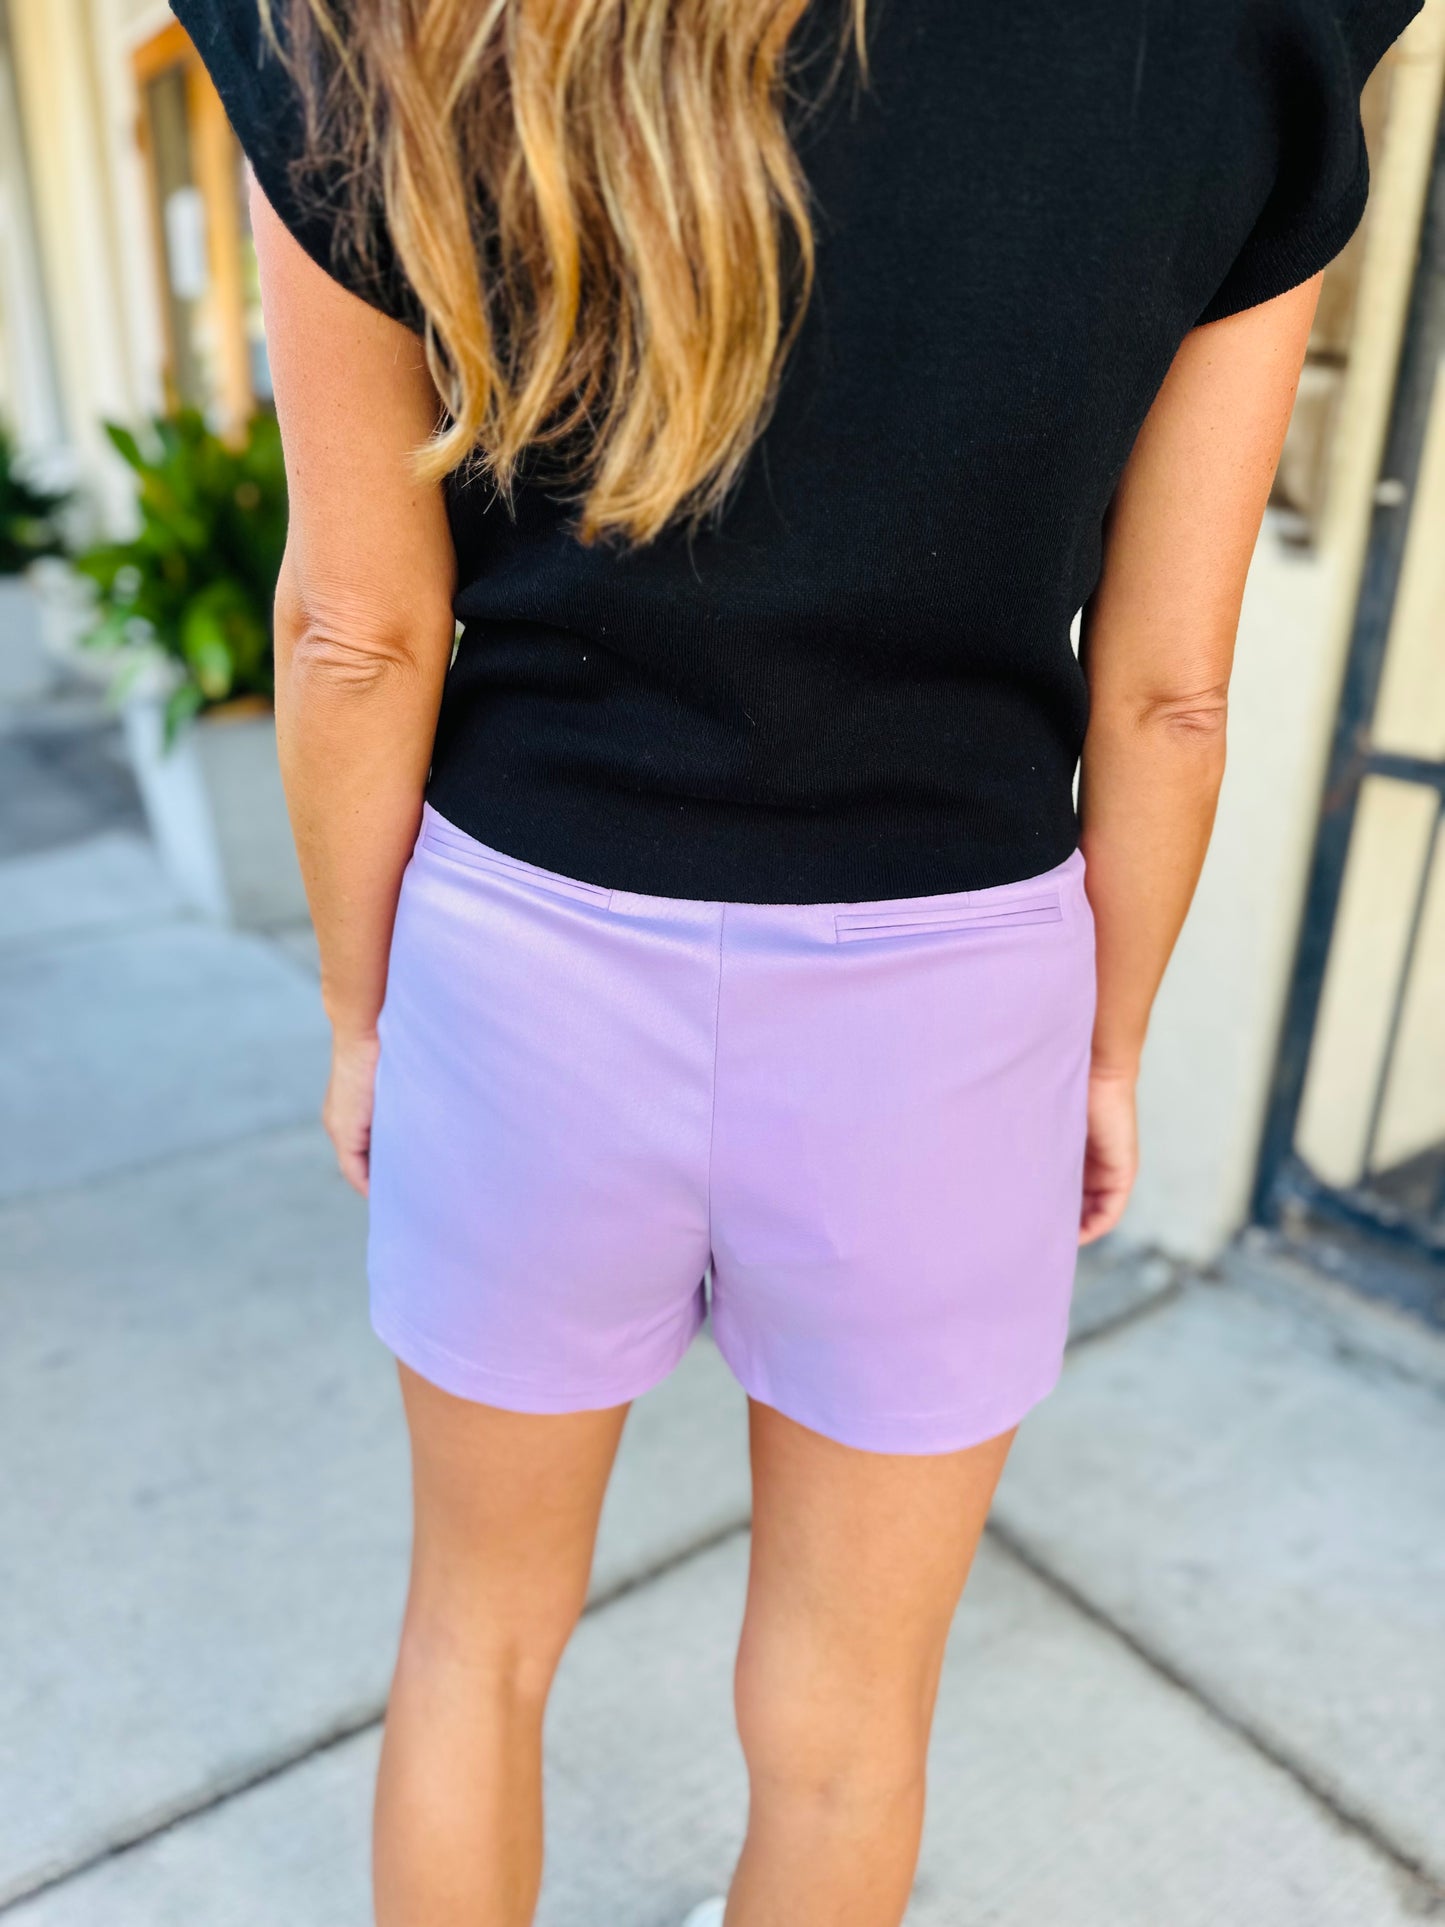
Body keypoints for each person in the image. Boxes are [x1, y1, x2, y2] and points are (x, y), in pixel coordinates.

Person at [175, 1, 1421, 1921]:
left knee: (474, 1648)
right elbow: (1167, 694)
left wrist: (364, 1014)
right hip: (950, 1004)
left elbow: (355, 632)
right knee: (847, 1731)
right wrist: (1102, 1052)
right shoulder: (1242, 32)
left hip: (524, 954)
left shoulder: (366, 26)